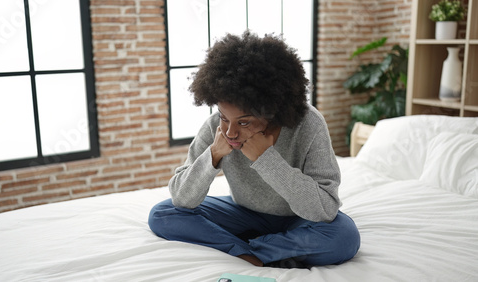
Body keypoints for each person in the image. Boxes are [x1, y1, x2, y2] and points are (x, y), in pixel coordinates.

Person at [149, 31, 360, 268]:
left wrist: (266, 159)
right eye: (224, 117)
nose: (230, 133)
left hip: (300, 220)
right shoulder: (215, 127)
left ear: (272, 112)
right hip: (242, 213)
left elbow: (325, 209)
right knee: (162, 214)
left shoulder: (309, 125)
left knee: (344, 238)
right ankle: (254, 252)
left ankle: (252, 249)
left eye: (244, 122)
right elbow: (181, 197)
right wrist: (213, 156)